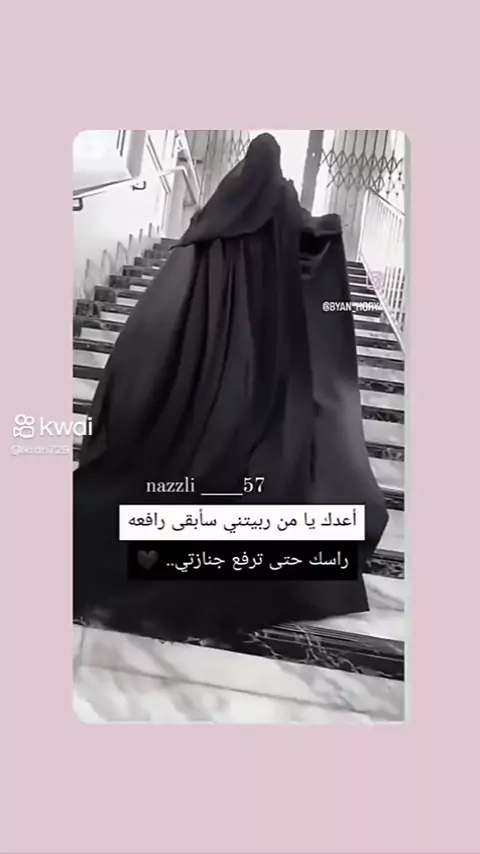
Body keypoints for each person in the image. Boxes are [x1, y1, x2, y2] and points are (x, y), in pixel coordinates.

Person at [73, 133, 388, 641]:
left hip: (214, 364)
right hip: (260, 362)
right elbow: (310, 252)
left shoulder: (216, 218)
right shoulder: (282, 208)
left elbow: (176, 298)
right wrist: (327, 230)